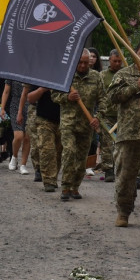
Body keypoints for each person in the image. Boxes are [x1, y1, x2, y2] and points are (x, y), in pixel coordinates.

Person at [108, 40, 140, 228]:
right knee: (125, 178)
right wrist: (136, 87)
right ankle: (123, 212)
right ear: (134, 54)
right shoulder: (123, 74)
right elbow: (112, 98)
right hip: (129, 135)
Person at [52, 51, 103, 201]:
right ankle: (66, 186)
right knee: (69, 152)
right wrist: (66, 97)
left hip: (87, 124)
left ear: (90, 63)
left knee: (81, 157)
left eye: (85, 63)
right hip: (68, 122)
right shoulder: (66, 75)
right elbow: (54, 96)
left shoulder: (95, 77)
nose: (82, 65)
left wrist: (98, 117)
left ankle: (75, 187)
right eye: (80, 62)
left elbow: (103, 99)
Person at [96, 48, 123, 182]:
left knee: (122, 143)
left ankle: (122, 168)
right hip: (107, 115)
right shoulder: (102, 75)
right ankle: (108, 169)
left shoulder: (125, 74)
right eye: (114, 61)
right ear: (110, 61)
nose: (117, 64)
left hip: (123, 115)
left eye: (119, 61)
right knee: (107, 143)